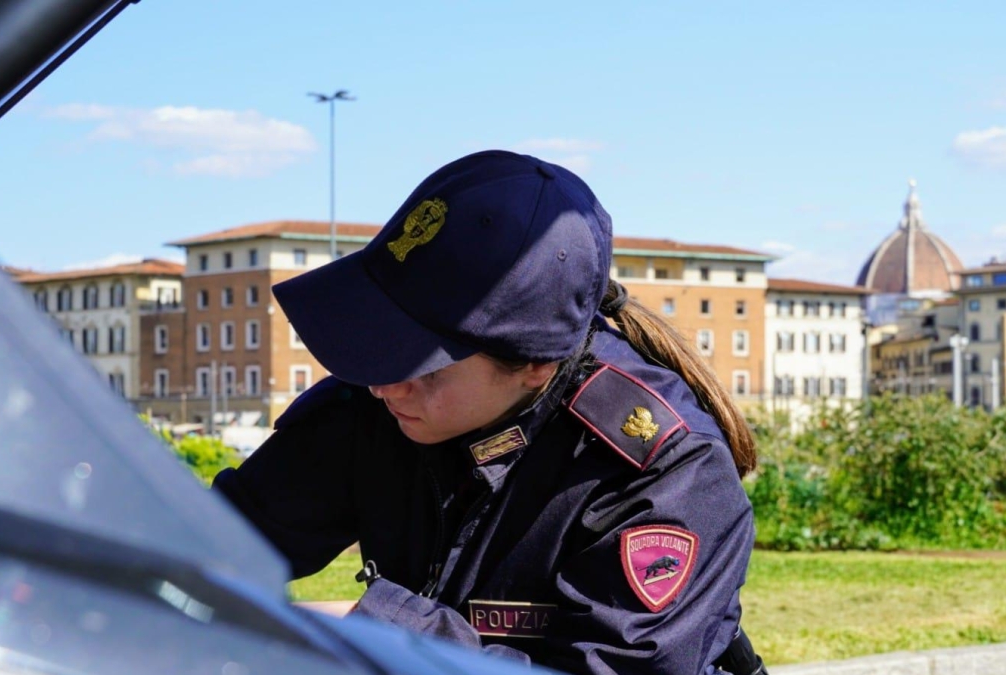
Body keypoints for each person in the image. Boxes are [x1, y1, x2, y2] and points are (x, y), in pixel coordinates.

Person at [213, 150, 761, 674]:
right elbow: (213, 543)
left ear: (535, 365)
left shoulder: (663, 474)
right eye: (379, 343)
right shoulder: (377, 406)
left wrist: (387, 638)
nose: (382, 384)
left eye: (424, 365)